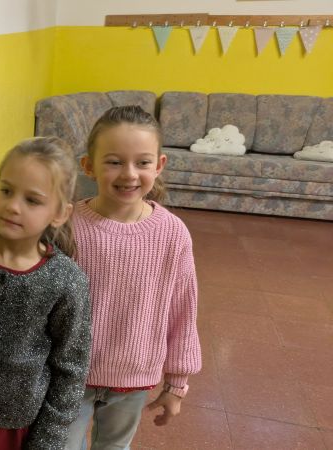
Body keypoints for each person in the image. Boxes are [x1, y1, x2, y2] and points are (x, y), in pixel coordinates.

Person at [0, 136, 92, 450]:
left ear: (60, 213)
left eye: (32, 200)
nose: (12, 206)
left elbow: (70, 370)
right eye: (6, 191)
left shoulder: (67, 281)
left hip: (9, 428)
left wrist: (46, 442)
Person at [64, 105, 202, 450]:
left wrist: (176, 384)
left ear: (159, 165)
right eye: (114, 161)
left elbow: (183, 311)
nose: (129, 174)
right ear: (88, 166)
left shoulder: (172, 234)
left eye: (142, 162)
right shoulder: (65, 226)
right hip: (69, 374)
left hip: (134, 376)